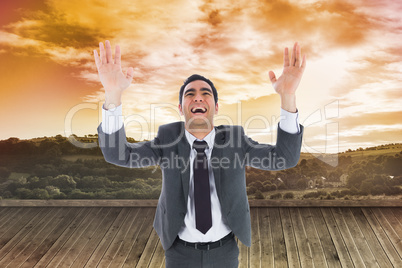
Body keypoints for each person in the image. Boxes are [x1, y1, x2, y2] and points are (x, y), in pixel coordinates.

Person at [94, 40, 305, 267]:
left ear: (216, 107)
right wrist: (112, 95)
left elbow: (285, 157)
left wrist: (287, 96)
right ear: (180, 108)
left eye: (206, 93)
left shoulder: (235, 139)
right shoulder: (168, 139)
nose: (197, 97)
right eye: (190, 94)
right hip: (179, 252)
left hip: (224, 250)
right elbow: (119, 154)